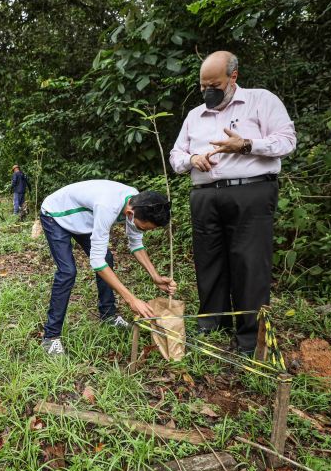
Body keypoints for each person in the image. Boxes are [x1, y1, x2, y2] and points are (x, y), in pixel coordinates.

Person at [170, 51, 296, 355]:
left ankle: (249, 336)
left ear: (233, 77)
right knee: (208, 259)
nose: (207, 91)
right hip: (204, 196)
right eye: (203, 86)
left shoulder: (261, 101)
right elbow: (176, 157)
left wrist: (246, 144)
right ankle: (212, 322)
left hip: (250, 193)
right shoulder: (194, 116)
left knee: (249, 263)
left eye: (214, 84)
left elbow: (287, 141)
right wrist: (192, 159)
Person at [39, 181, 177, 355]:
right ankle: (51, 337)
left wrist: (155, 277)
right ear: (129, 214)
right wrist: (131, 299)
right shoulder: (108, 206)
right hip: (56, 214)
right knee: (68, 271)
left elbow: (135, 244)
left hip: (84, 220)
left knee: (107, 257)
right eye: (143, 228)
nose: (144, 232)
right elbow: (96, 263)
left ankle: (108, 315)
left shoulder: (137, 201)